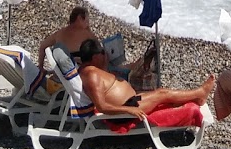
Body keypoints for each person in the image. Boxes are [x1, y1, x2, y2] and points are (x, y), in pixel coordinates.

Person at [74, 38, 214, 122]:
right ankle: (199, 94)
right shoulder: (92, 75)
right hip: (126, 109)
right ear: (94, 57)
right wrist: (129, 111)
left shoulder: (92, 71)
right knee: (163, 95)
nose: (105, 56)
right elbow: (102, 106)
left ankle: (196, 96)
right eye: (102, 53)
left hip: (130, 101)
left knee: (161, 91)